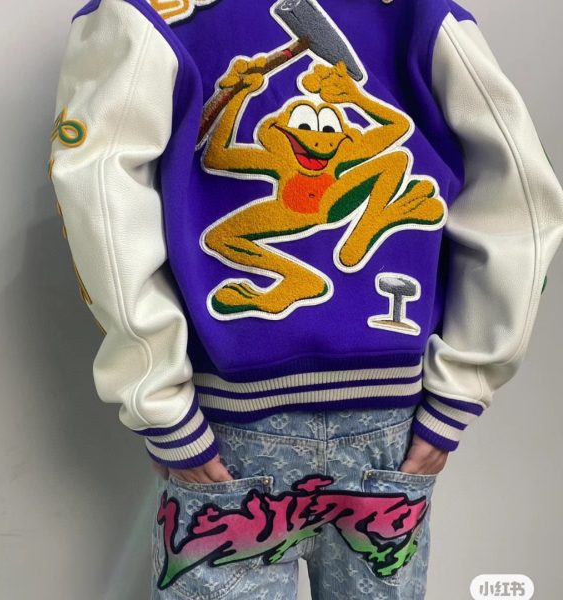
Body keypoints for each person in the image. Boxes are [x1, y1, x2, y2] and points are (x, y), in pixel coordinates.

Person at [48, 0, 563, 597]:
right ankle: (307, 272)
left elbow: (99, 201)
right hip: (378, 423)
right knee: (233, 234)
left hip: (235, 422)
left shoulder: (148, 13)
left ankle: (374, 220)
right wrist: (236, 96)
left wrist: (157, 398)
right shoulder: (423, 14)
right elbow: (524, 203)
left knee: (387, 167)